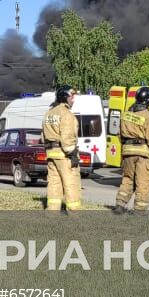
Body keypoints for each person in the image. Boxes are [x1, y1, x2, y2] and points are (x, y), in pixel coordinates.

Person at [114, 87, 149, 214]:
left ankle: (120, 204)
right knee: (143, 182)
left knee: (127, 178)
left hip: (128, 152)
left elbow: (120, 135)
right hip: (144, 154)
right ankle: (139, 210)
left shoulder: (125, 115)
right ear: (147, 100)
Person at [41, 85, 82, 213]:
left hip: (51, 154)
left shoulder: (48, 113)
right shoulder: (66, 114)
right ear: (65, 97)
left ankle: (52, 211)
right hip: (64, 155)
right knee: (71, 182)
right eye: (71, 97)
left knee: (54, 183)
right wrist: (72, 153)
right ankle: (74, 212)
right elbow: (68, 136)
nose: (73, 100)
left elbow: (43, 137)